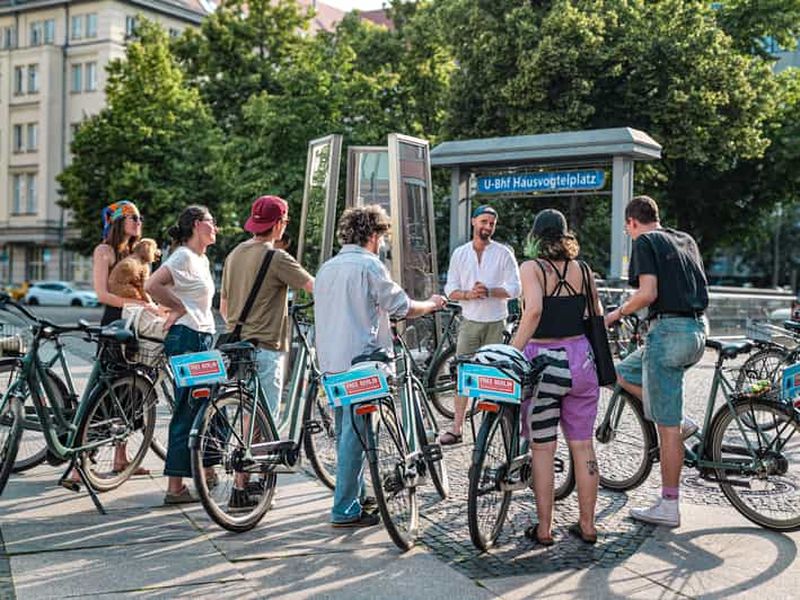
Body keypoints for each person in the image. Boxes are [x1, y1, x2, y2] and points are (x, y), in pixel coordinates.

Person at [314, 204, 446, 528]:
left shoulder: (327, 268)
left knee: (347, 432)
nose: (383, 242)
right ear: (373, 235)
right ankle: (345, 509)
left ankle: (356, 496)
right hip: (362, 364)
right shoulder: (369, 265)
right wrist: (431, 304)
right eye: (382, 236)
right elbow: (401, 306)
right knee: (354, 437)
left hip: (331, 362)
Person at [605, 195, 708, 528]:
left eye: (628, 229)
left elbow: (648, 293)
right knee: (621, 371)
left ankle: (669, 505)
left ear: (632, 222)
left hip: (668, 334)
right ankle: (681, 419)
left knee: (667, 428)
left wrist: (617, 314)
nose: (629, 234)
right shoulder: (685, 239)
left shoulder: (645, 241)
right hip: (697, 330)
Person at [510, 208, 601, 546]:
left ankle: (545, 529)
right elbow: (595, 313)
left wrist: (512, 352)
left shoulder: (532, 268)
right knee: (583, 445)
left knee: (543, 448)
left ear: (535, 236)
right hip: (582, 362)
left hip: (544, 362)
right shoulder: (583, 270)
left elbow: (534, 310)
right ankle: (588, 525)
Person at [145, 205, 218, 504]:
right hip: (188, 337)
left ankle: (206, 470)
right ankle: (175, 487)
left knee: (209, 405)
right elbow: (152, 284)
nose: (216, 227)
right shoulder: (183, 256)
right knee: (189, 408)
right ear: (198, 224)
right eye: (212, 222)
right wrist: (177, 308)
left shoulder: (201, 258)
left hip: (201, 337)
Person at [220, 196, 313, 418]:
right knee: (265, 418)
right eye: (286, 221)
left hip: (237, 348)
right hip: (265, 347)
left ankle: (244, 443)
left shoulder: (234, 254)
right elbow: (314, 287)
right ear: (278, 223)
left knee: (248, 413)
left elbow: (224, 307)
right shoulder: (277, 257)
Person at [441, 204, 521, 444]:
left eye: (492, 223)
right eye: (484, 221)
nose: (488, 226)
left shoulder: (503, 253)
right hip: (469, 322)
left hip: (496, 323)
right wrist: (469, 294)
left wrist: (490, 292)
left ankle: (491, 429)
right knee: (463, 375)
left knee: (494, 377)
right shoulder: (460, 254)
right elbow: (450, 289)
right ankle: (456, 428)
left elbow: (516, 288)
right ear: (473, 222)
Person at [93, 201, 154, 326]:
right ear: (119, 221)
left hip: (140, 318)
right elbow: (102, 296)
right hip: (116, 321)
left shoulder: (138, 251)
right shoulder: (104, 250)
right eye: (134, 218)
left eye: (140, 218)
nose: (139, 222)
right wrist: (141, 304)